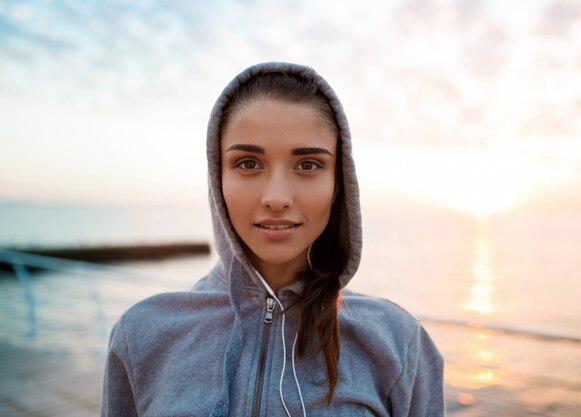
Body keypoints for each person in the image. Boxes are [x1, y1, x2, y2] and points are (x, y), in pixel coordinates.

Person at [101, 62, 444, 417]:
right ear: (217, 178)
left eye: (308, 165)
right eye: (248, 164)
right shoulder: (142, 334)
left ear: (338, 184)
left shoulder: (397, 342)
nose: (277, 197)